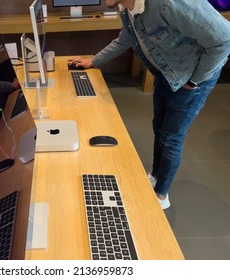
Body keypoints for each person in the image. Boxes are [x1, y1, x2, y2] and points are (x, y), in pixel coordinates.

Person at [70, 0, 230, 209]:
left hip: (191, 79)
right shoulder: (128, 7)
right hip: (167, 73)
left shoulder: (168, 3)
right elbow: (125, 38)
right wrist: (94, 61)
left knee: (171, 137)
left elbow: (224, 39)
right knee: (159, 128)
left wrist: (194, 81)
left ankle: (162, 195)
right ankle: (156, 177)